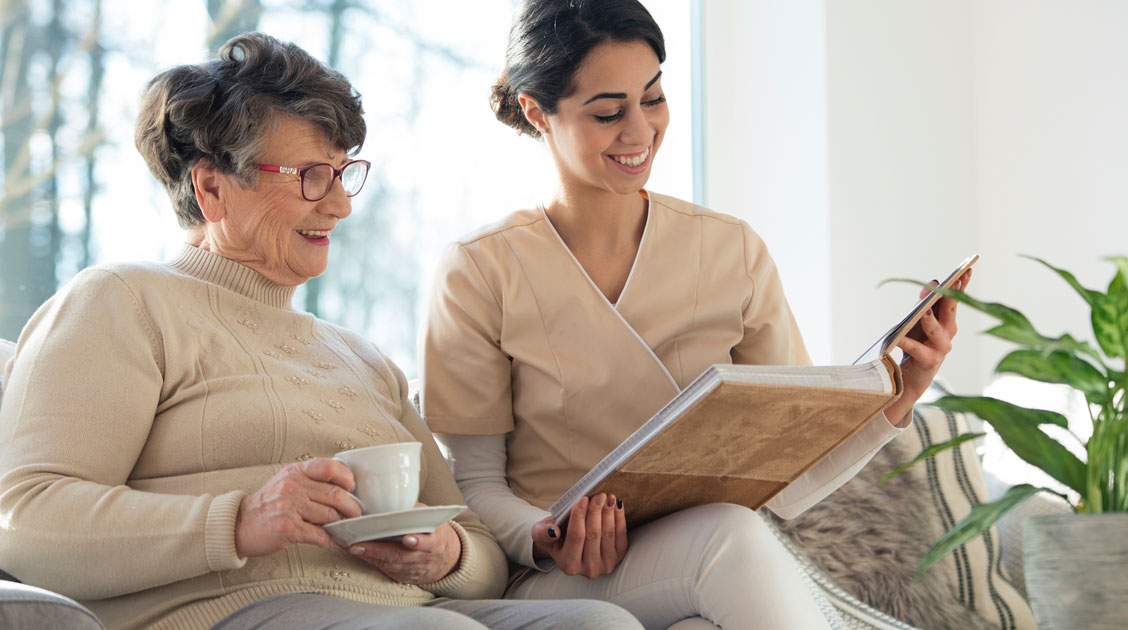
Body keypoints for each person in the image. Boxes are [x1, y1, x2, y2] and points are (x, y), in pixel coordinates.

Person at [0, 32, 642, 630]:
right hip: (233, 607)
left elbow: (478, 549)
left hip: (408, 610)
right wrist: (239, 522)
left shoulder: (361, 358)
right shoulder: (123, 301)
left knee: (601, 622)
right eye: (310, 176)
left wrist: (443, 556)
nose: (340, 204)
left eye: (344, 173)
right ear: (214, 188)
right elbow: (25, 521)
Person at [419, 2, 972, 629]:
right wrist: (546, 535)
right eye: (607, 112)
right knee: (728, 535)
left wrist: (898, 395)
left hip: (702, 561)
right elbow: (474, 488)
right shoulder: (480, 269)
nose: (639, 131)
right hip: (554, 580)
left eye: (652, 99)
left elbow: (788, 483)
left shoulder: (731, 250)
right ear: (536, 111)